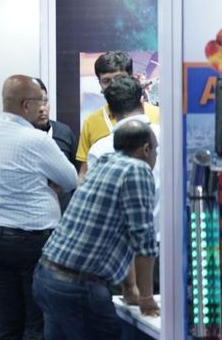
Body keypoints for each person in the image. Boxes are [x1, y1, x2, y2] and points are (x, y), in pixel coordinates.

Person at [33, 120, 160, 340]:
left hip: (47, 275)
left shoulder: (104, 163)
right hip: (79, 287)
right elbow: (143, 240)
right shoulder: (137, 169)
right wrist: (147, 297)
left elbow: (123, 235)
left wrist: (130, 287)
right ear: (146, 149)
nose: (156, 155)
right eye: (156, 149)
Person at [0, 75, 78, 340]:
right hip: (34, 240)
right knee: (37, 323)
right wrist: (45, 180)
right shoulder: (37, 140)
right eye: (40, 100)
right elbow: (69, 180)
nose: (43, 106)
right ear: (25, 105)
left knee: (9, 322)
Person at [85, 75, 162, 240]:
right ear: (142, 102)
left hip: (120, 248)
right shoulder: (169, 136)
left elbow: (98, 205)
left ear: (111, 111)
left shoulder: (99, 150)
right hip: (169, 243)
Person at [76, 51, 160, 179]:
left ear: (132, 78)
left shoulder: (159, 115)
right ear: (99, 84)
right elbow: (84, 173)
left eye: (120, 79)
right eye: (106, 81)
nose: (114, 86)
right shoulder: (91, 122)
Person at [33, 78, 78, 209]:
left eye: (45, 101)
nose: (42, 108)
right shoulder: (19, 136)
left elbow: (77, 173)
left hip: (64, 211)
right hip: (34, 213)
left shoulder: (64, 132)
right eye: (36, 103)